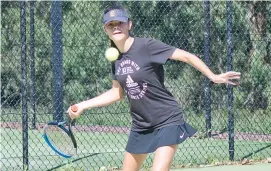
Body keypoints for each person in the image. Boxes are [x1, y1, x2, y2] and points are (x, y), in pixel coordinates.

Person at [68, 4, 241, 171]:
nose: (116, 27)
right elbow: (116, 92)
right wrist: (83, 105)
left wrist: (213, 76)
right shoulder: (116, 59)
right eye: (110, 25)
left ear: (129, 24)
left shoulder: (147, 46)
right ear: (105, 30)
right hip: (141, 125)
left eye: (120, 22)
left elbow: (186, 56)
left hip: (167, 119)